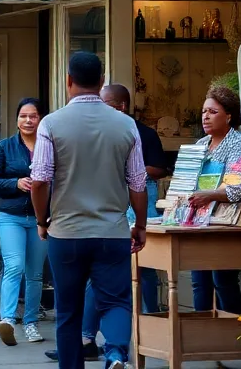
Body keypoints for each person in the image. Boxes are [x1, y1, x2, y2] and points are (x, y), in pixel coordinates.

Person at [30, 53, 147, 369]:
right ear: (101, 81)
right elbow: (138, 182)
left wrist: (42, 220)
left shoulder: (50, 124)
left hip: (66, 233)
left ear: (68, 81)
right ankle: (115, 354)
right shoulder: (126, 125)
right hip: (112, 232)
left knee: (67, 311)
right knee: (117, 301)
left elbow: (39, 179)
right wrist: (140, 225)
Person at [67, 83, 168, 353]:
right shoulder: (98, 129)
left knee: (144, 269)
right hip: (106, 209)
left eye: (106, 102)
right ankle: (88, 338)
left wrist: (130, 169)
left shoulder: (142, 132)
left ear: (122, 105)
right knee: (100, 275)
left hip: (137, 205)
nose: (99, 107)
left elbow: (158, 169)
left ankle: (151, 325)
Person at [186, 83, 241, 314]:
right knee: (199, 282)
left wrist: (209, 195)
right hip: (198, 223)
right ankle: (201, 335)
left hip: (224, 224)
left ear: (229, 116)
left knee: (222, 281)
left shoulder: (238, 145)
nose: (206, 117)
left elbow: (238, 189)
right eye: (204, 111)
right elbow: (187, 182)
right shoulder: (199, 145)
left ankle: (232, 337)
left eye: (213, 112)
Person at [0, 97, 47, 347]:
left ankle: (31, 323)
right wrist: (16, 183)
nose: (28, 120)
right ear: (17, 119)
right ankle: (8, 320)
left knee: (35, 274)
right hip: (10, 217)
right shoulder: (4, 147)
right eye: (23, 116)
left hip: (41, 219)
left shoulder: (49, 146)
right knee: (14, 266)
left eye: (33, 116)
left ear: (41, 119)